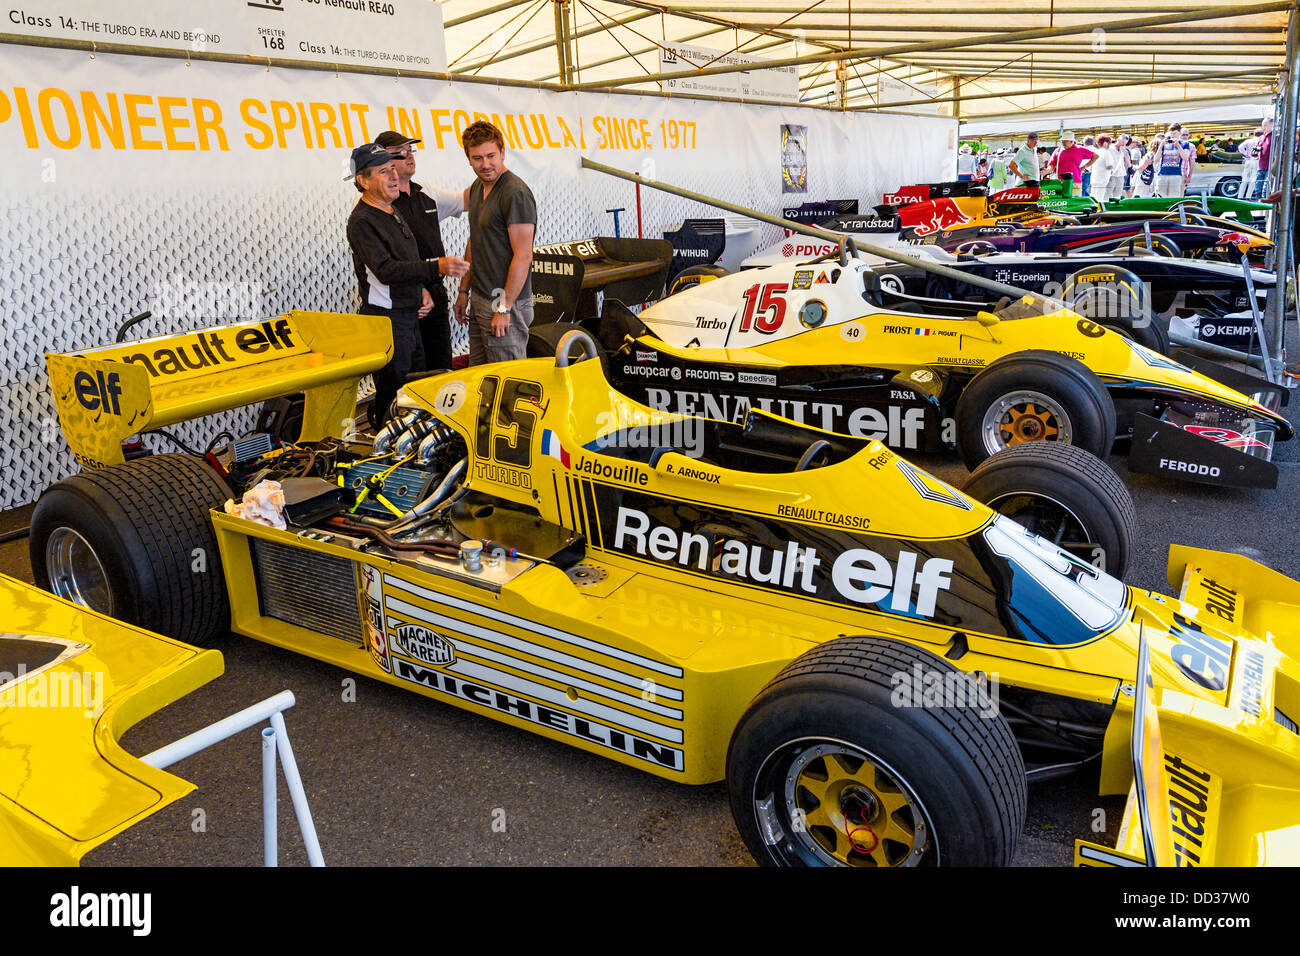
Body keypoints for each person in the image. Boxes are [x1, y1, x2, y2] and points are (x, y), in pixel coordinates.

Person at [345, 143, 468, 427]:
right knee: (395, 396)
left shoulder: (390, 209)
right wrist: (436, 266)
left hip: (409, 316)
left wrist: (420, 289)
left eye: (392, 169)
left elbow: (405, 258)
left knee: (417, 388)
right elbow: (386, 270)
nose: (392, 176)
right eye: (382, 172)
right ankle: (389, 455)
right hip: (387, 320)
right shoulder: (362, 221)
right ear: (362, 181)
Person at [375, 130, 470, 372]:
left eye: (410, 150)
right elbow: (382, 265)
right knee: (408, 373)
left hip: (435, 295)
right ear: (382, 161)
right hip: (401, 300)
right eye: (401, 153)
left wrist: (489, 171)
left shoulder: (425, 191)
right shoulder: (375, 204)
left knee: (440, 366)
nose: (409, 156)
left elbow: (466, 200)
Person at [453, 120, 537, 365]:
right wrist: (463, 291)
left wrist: (504, 308)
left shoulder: (515, 193)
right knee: (479, 377)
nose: (485, 164)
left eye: (491, 156)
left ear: (502, 152)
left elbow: (523, 255)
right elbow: (475, 241)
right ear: (468, 158)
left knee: (507, 380)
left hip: (505, 303)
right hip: (480, 297)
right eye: (477, 158)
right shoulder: (478, 188)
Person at [1050, 131, 1097, 196]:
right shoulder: (1058, 150)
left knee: (1075, 202)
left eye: (1065, 141)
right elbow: (1052, 164)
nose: (1063, 143)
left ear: (1072, 142)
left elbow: (1095, 156)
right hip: (1060, 182)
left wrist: (1084, 167)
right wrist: (1047, 171)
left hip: (1075, 182)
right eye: (1062, 141)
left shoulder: (1080, 149)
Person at [1154, 125, 1189, 198]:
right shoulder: (1164, 143)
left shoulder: (1184, 144)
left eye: (1175, 133)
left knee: (1173, 197)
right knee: (1160, 197)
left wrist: (1178, 146)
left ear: (1179, 132)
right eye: (1171, 133)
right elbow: (1156, 160)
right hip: (1162, 174)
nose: (1172, 135)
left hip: (1176, 174)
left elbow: (1185, 157)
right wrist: (1161, 146)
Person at [1089, 134, 1120, 203]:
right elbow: (1109, 166)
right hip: (1102, 178)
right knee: (1100, 197)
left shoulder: (1096, 151)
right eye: (1109, 143)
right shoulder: (1106, 152)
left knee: (1093, 195)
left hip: (1094, 177)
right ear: (1105, 143)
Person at [1255, 118, 1274, 199]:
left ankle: (1264, 209)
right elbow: (1258, 149)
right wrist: (1256, 153)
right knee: (1258, 190)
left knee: (1265, 190)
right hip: (1260, 166)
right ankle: (1261, 209)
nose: (1263, 127)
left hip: (1270, 167)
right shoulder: (1261, 137)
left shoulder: (1275, 136)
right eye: (1262, 125)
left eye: (1265, 125)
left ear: (1272, 125)